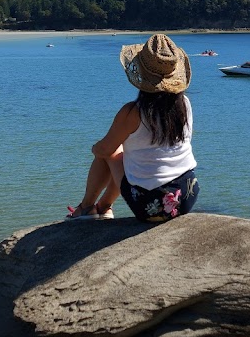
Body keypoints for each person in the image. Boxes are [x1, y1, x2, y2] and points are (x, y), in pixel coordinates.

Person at [67, 34, 199, 222]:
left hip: (151, 207)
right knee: (124, 156)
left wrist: (94, 149)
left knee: (109, 153)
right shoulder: (184, 104)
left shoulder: (133, 112)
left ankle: (87, 207)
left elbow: (106, 149)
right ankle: (102, 207)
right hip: (186, 195)